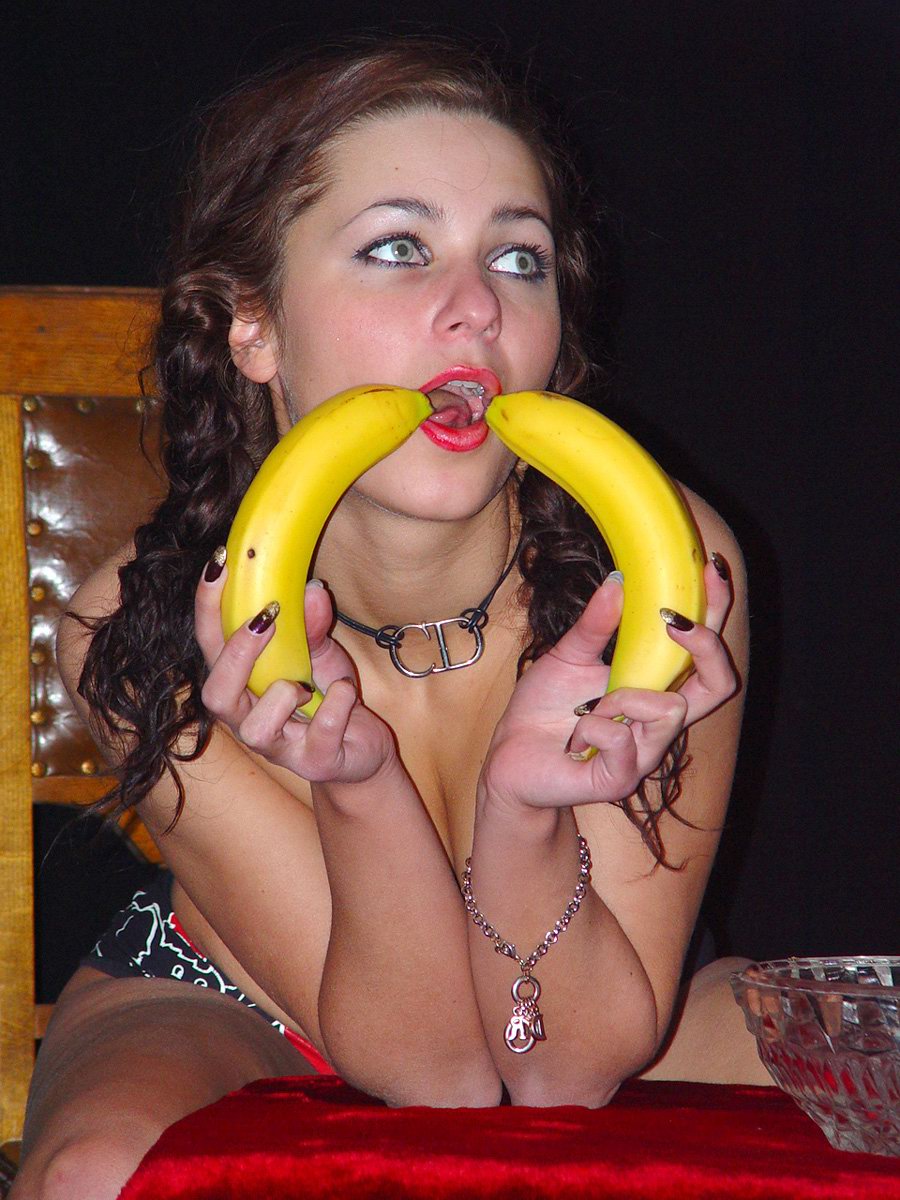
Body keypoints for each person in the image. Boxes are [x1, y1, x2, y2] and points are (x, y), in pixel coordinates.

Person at [12, 38, 768, 1200]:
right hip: (247, 1002)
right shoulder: (139, 628)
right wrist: (357, 784)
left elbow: (561, 1070)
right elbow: (437, 1077)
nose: (477, 309)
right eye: (398, 249)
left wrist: (523, 814)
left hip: (605, 993)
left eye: (518, 258)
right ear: (253, 327)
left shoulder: (662, 570)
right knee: (97, 1176)